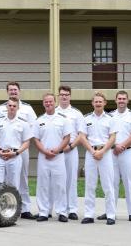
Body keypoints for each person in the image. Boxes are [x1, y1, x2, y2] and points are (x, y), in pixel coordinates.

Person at [0, 81, 37, 220]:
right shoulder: (0, 108)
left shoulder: (28, 108)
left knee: (21, 178)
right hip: (2, 151)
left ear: (19, 91)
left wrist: (17, 151)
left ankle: (24, 209)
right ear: (7, 92)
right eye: (10, 90)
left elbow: (33, 128)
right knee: (2, 180)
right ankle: (0, 207)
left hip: (21, 149)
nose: (13, 92)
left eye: (15, 90)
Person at [96, 91, 131, 222]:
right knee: (111, 183)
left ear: (128, 101)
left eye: (124, 99)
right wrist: (115, 146)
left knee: (129, 182)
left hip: (127, 152)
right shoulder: (110, 116)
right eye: (119, 99)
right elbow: (107, 135)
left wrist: (121, 146)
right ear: (115, 100)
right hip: (112, 153)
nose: (121, 101)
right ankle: (110, 212)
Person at [33, 93, 72, 222]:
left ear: (55, 102)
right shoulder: (39, 120)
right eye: (46, 102)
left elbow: (67, 138)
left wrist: (57, 150)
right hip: (44, 157)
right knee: (43, 185)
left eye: (50, 101)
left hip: (58, 157)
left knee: (60, 185)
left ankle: (62, 212)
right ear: (43, 103)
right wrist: (45, 151)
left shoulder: (63, 119)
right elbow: (36, 139)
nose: (48, 104)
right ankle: (43, 212)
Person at [81, 92, 117, 225]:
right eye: (96, 101)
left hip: (105, 153)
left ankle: (111, 215)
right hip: (91, 153)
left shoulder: (110, 118)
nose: (98, 103)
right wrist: (92, 151)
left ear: (105, 103)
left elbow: (112, 137)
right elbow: (82, 137)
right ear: (92, 103)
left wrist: (102, 151)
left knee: (108, 185)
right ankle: (89, 214)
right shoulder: (86, 118)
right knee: (90, 185)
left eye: (100, 101)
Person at [0, 97, 32, 196]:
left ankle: (11, 210)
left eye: (14, 106)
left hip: (15, 157)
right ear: (6, 107)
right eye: (10, 105)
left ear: (18, 108)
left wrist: (16, 153)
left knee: (13, 186)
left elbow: (27, 142)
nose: (12, 107)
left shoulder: (23, 123)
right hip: (0, 156)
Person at [55, 86, 86, 220]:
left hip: (71, 149)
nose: (64, 97)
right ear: (58, 96)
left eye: (67, 94)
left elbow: (82, 133)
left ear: (70, 96)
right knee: (58, 181)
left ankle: (72, 209)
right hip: (58, 151)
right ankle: (59, 209)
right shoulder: (53, 112)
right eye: (62, 94)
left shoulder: (76, 113)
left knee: (71, 180)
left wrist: (71, 146)